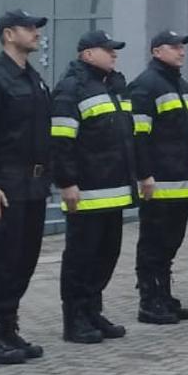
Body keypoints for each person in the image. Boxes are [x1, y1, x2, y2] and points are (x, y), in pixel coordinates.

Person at [0, 9, 52, 366]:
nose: (36, 33)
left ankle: (8, 327)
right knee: (0, 261)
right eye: (29, 28)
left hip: (33, 186)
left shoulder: (34, 79)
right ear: (7, 34)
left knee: (24, 260)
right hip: (6, 185)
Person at [49, 29, 136, 344]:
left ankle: (92, 311)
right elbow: (61, 139)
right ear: (87, 54)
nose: (114, 54)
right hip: (85, 192)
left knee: (106, 256)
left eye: (115, 50)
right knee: (80, 259)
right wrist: (67, 182)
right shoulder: (71, 88)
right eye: (108, 50)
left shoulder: (114, 86)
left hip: (113, 190)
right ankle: (75, 320)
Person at [126, 30, 188, 325]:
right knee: (153, 244)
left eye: (182, 47)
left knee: (170, 243)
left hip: (182, 181)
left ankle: (164, 296)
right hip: (158, 182)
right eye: (174, 47)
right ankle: (149, 301)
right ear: (157, 51)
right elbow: (139, 137)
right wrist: (144, 175)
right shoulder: (146, 86)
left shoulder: (181, 85)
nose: (181, 52)